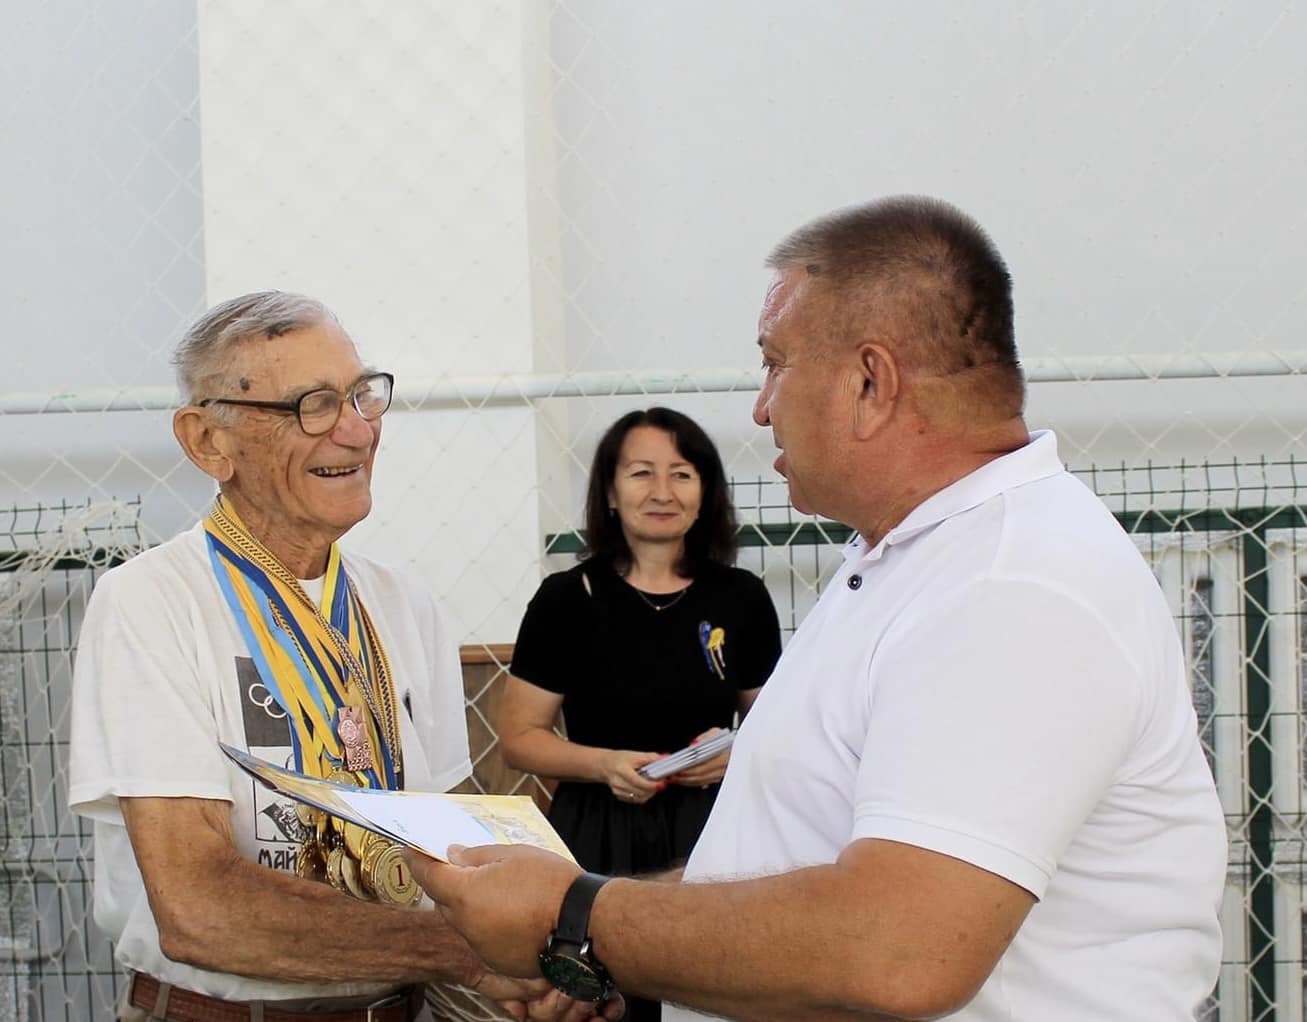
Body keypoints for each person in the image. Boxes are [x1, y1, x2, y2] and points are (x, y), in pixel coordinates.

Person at [407, 197, 1229, 1021]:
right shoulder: (914, 560)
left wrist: (577, 918)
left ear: (870, 383)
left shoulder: (1009, 586)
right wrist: (611, 943)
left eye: (774, 363)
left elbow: (898, 950)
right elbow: (787, 855)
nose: (761, 405)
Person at [68, 292, 620, 1022]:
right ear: (208, 442)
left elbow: (451, 861)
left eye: (363, 395)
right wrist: (468, 955)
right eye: (313, 404)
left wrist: (544, 977)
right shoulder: (151, 601)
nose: (357, 430)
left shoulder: (402, 604)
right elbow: (198, 908)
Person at [499, 408, 782, 1021]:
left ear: (706, 492)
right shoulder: (566, 601)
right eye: (640, 473)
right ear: (609, 490)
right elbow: (519, 739)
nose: (661, 492)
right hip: (593, 834)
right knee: (595, 1001)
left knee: (711, 999)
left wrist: (735, 752)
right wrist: (604, 765)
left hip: (713, 832)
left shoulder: (740, 598)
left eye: (681, 474)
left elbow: (773, 727)